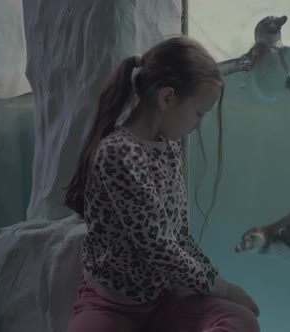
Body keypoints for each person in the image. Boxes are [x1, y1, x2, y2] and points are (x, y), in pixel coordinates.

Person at [63, 36, 260, 332]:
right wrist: (224, 289)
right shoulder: (119, 152)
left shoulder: (170, 149)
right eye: (199, 113)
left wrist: (211, 280)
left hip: (166, 298)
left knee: (240, 321)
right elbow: (157, 247)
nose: (197, 125)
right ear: (167, 98)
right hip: (111, 303)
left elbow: (179, 235)